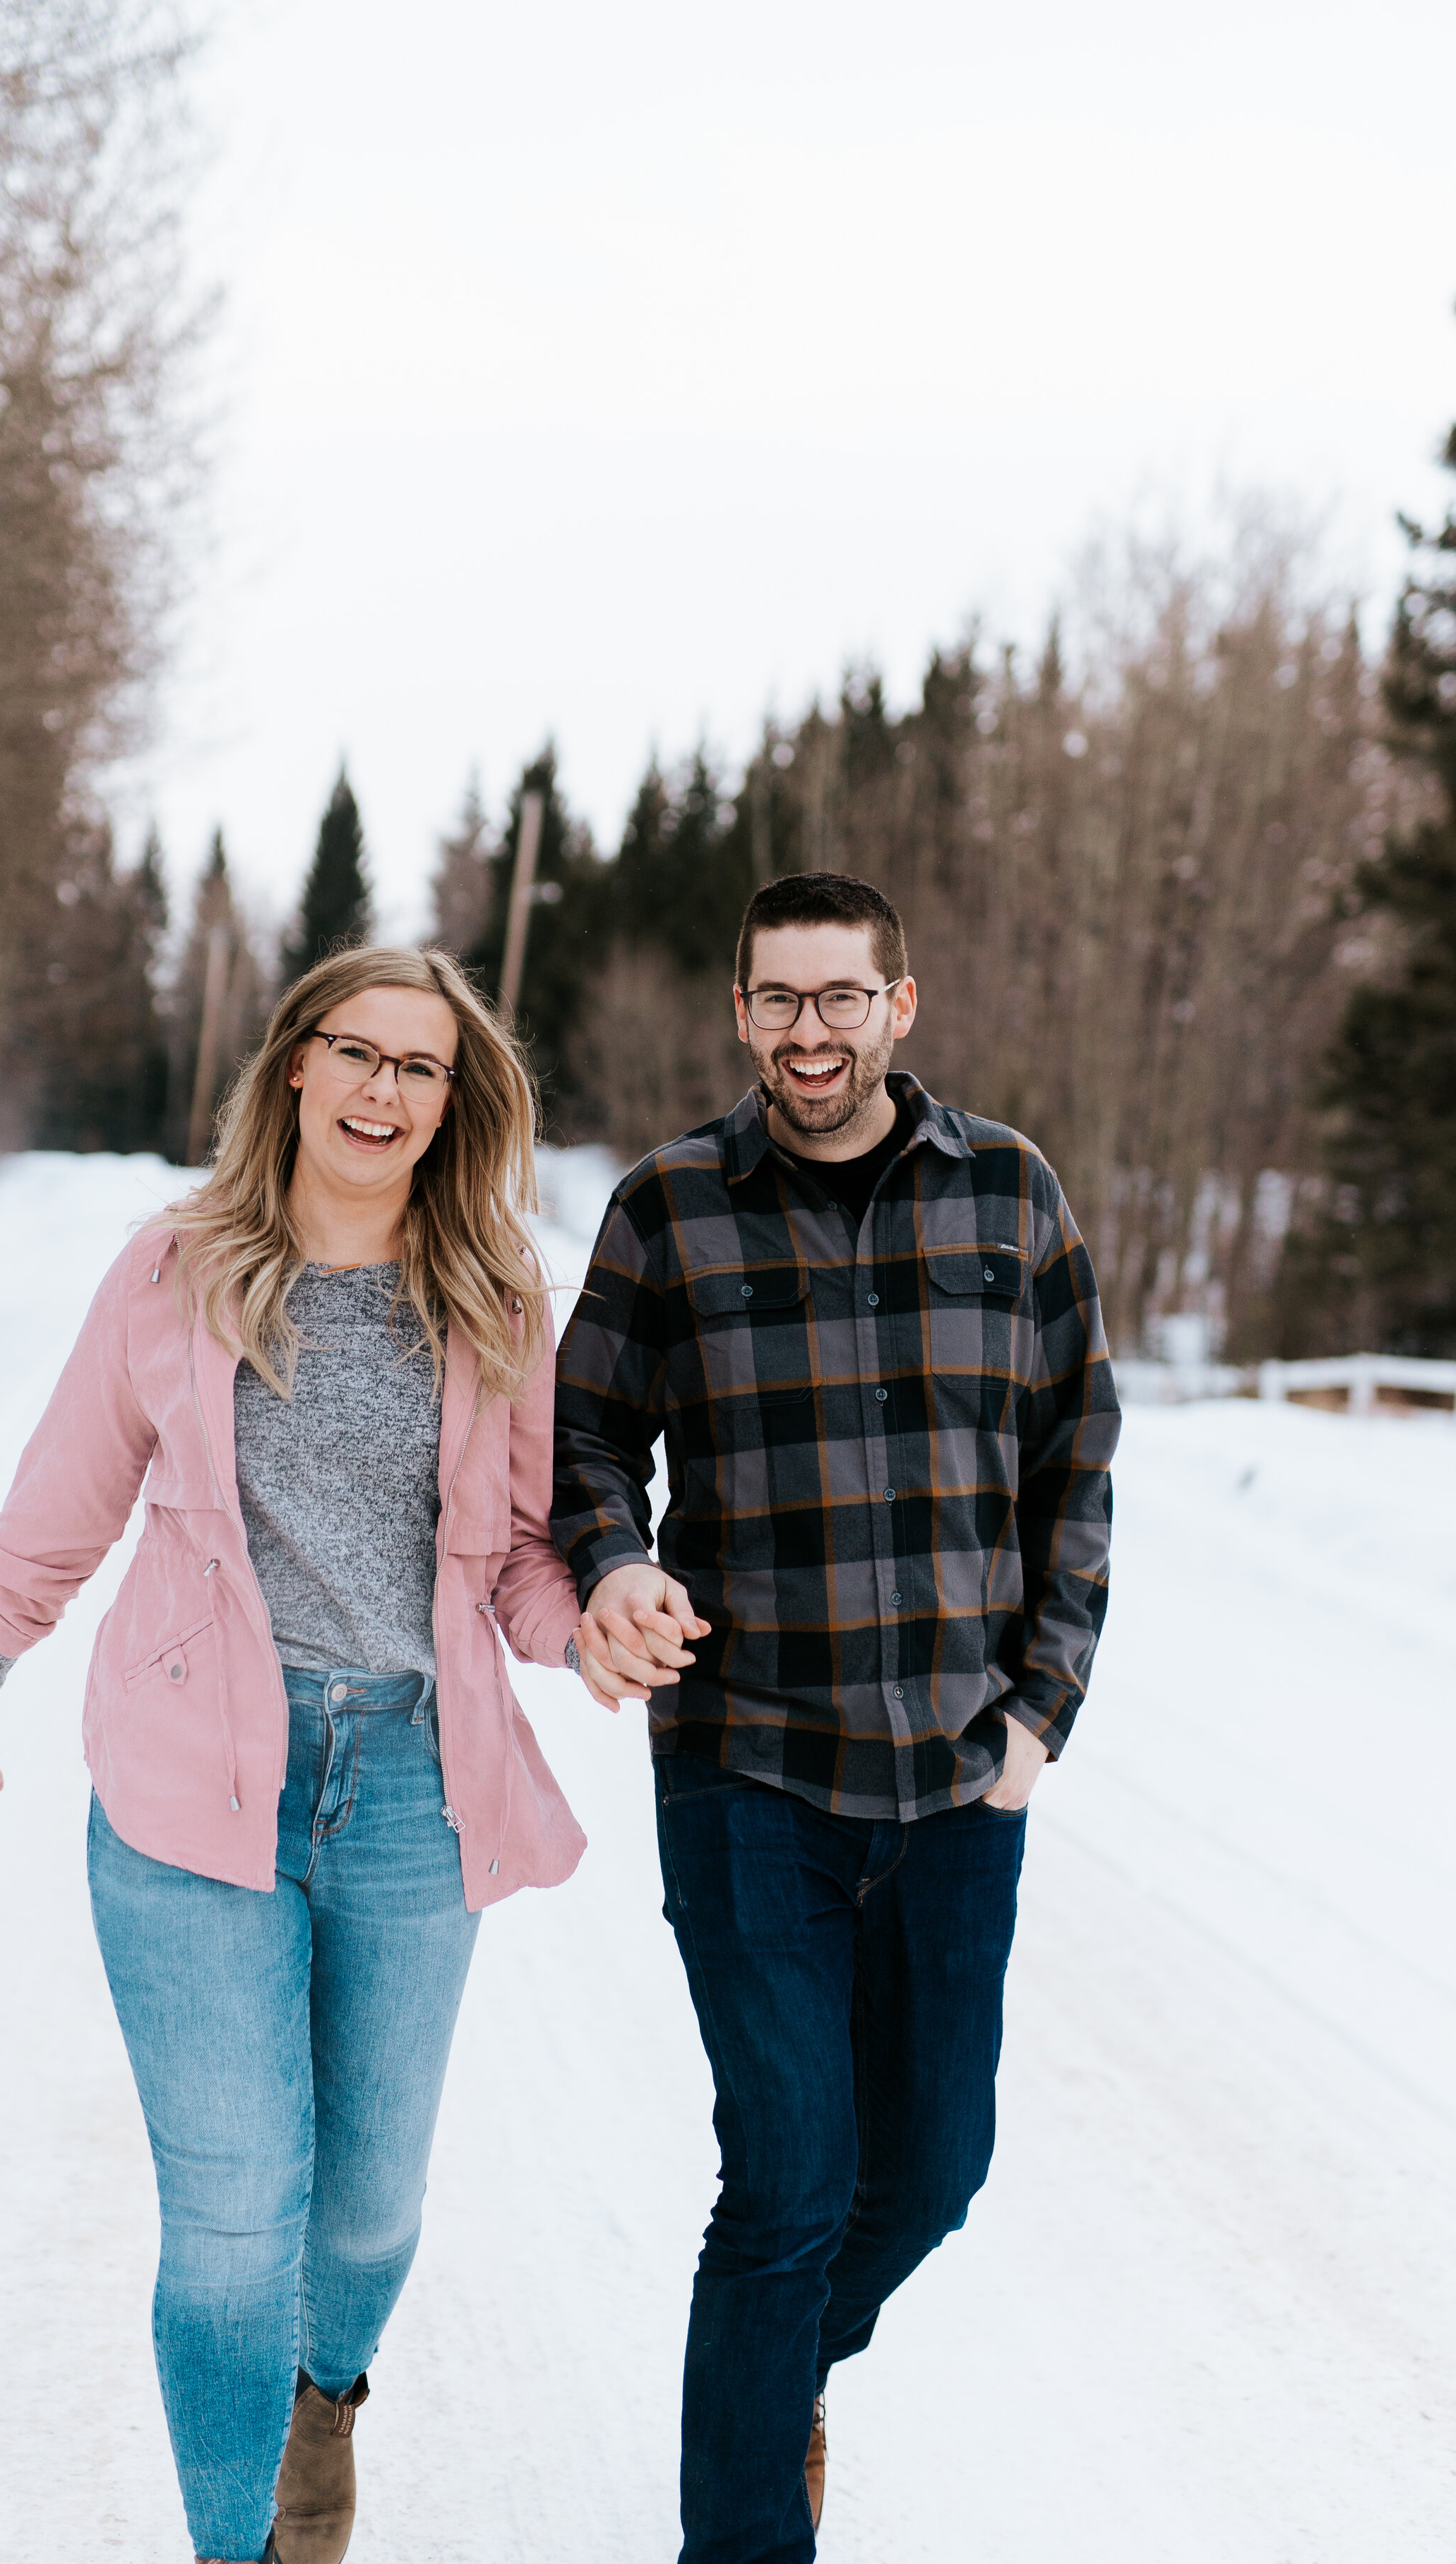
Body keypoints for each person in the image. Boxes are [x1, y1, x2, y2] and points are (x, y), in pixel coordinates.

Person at [0, 944, 615, 2564]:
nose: (384, 1089)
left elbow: (521, 1556)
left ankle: (327, 2395)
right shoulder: (173, 1270)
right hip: (193, 1787)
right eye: (356, 1052)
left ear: (452, 1103)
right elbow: (66, 1493)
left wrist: (589, 1625)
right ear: (296, 1063)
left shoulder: (498, 1294)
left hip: (412, 1788)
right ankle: (233, 2542)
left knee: (366, 2214)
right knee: (237, 2221)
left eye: (420, 1068)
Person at [554, 869, 1120, 2564]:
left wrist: (1039, 1712)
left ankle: (773, 2374)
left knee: (931, 2172)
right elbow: (587, 1440)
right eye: (778, 999)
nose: (809, 1032)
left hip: (955, 1780)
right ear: (740, 1012)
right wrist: (613, 1559)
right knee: (787, 2180)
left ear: (898, 1005)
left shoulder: (1010, 1194)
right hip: (747, 1770)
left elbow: (1075, 1464)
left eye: (840, 996)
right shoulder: (667, 1207)